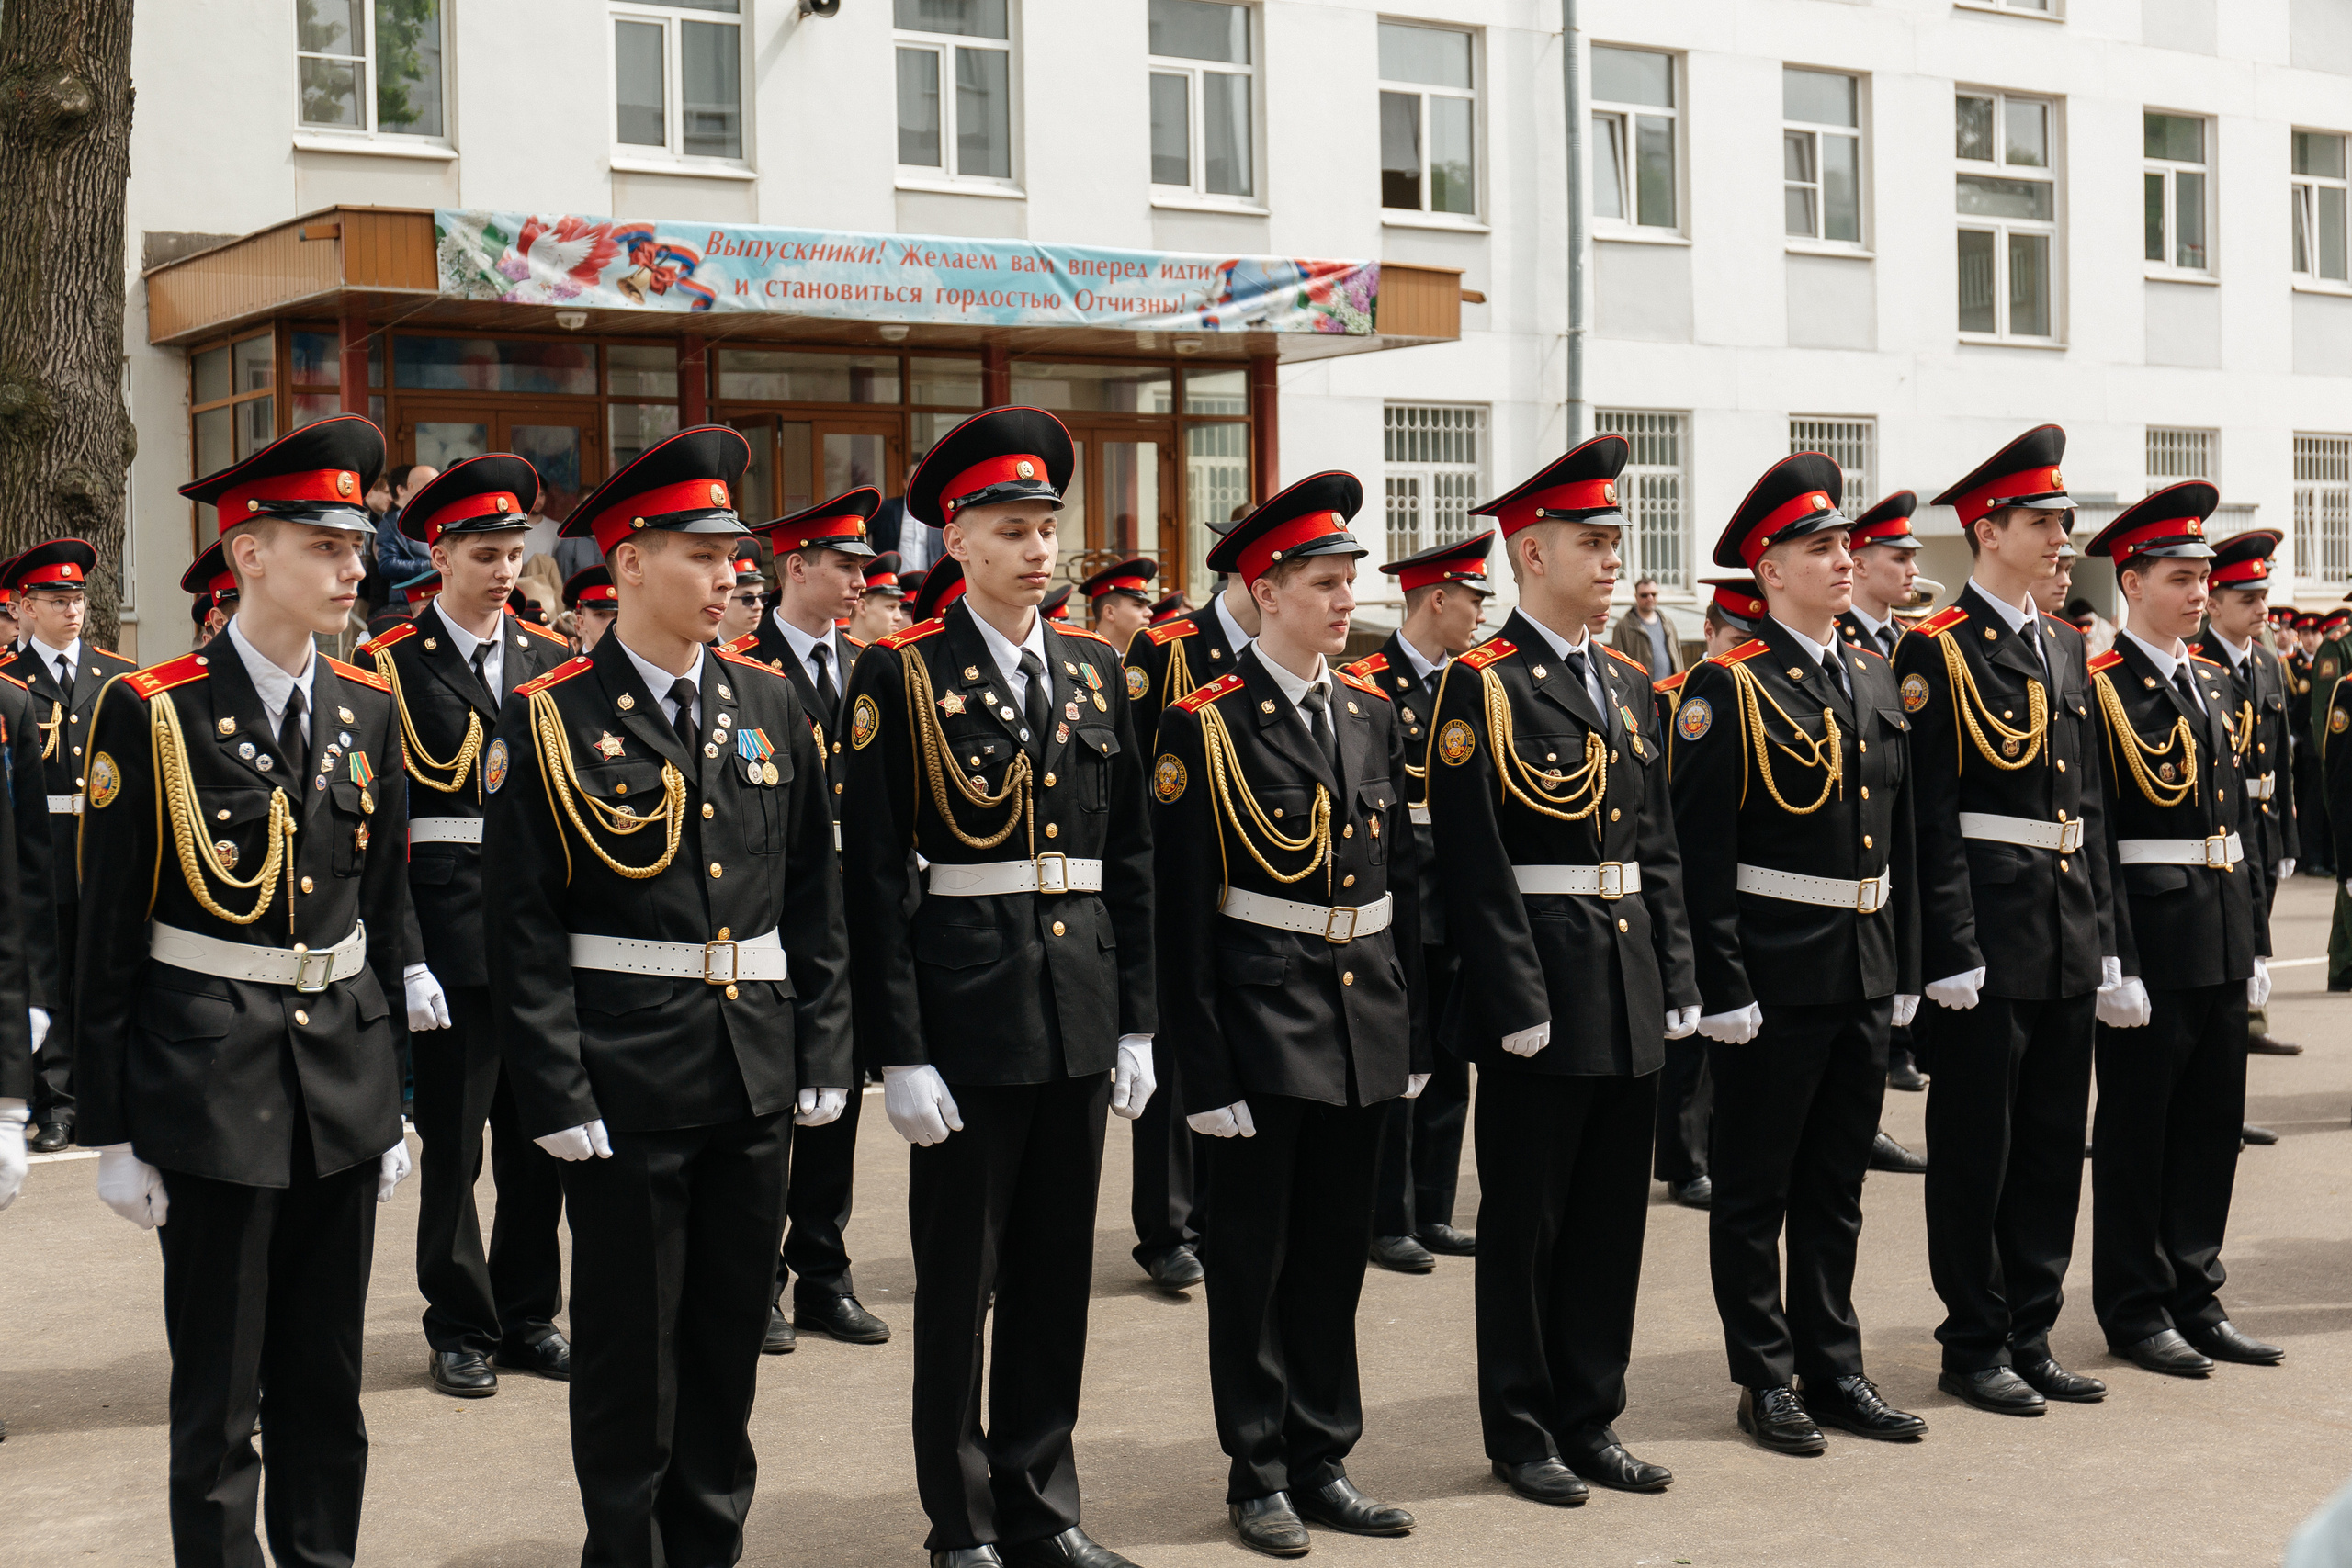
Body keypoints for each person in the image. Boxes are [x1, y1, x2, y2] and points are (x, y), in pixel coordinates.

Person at [484, 423, 853, 1567]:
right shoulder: (550, 716)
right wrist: (553, 1085)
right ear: (629, 561)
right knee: (629, 1351)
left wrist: (824, 1052)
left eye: (734, 554)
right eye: (701, 554)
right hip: (626, 1079)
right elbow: (525, 925)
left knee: (729, 1336)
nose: (730, 576)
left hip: (751, 1069)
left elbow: (814, 899)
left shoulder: (770, 705)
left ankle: (708, 1546)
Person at [79, 414, 414, 1568]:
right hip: (210, 1083)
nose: (352, 568)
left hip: (343, 1081)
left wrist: (395, 1096)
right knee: (219, 1403)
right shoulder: (153, 709)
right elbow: (108, 936)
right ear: (250, 555)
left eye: (357, 547)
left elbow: (379, 905)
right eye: (325, 545)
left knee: (328, 1386)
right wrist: (114, 1131)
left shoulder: (371, 706)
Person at [840, 407, 1156, 1568]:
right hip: (967, 1019)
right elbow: (874, 879)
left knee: (1053, 1281)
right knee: (959, 1286)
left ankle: (1042, 1505)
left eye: (1046, 530)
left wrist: (1138, 1020)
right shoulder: (901, 673)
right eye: (1011, 530)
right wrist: (901, 1049)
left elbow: (1129, 862)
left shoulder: (1096, 671)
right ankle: (960, 1523)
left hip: (1075, 1008)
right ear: (956, 544)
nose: (1036, 552)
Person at [1155, 472, 1426, 1554]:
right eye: (1321, 583)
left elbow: (1398, 881)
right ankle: (1257, 1470)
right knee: (1253, 1262)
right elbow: (1180, 917)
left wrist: (1406, 1029)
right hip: (1260, 1031)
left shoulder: (1368, 709)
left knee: (1333, 1256)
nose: (1342, 601)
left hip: (1360, 1022)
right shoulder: (1203, 724)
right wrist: (1202, 1073)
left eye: (1348, 581)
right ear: (1264, 591)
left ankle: (1324, 1457)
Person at [1423, 443, 1698, 1505]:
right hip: (1542, 988)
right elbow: (1472, 866)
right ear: (1529, 553)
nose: (1609, 560)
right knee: (1526, 1222)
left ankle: (1593, 1417)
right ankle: (1523, 1429)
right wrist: (1513, 999)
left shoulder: (1630, 683)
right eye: (1590, 542)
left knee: (1608, 1222)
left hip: (1625, 980)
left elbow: (1658, 847)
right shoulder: (1477, 687)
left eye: (1613, 541)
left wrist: (1675, 975)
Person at [1668, 451, 1926, 1455]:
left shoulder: (1868, 671)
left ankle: (1835, 1365)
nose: (1840, 562)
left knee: (1835, 1185)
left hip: (1859, 966)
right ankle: (1763, 1378)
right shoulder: (1724, 686)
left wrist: (1900, 971)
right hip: (1772, 976)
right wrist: (1719, 984)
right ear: (1768, 569)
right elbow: (1700, 853)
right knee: (1754, 1190)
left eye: (1844, 546)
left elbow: (1894, 833)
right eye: (1818, 549)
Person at [1896, 426, 2111, 1418]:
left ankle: (2032, 1328)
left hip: (2065, 929)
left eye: (2065, 524)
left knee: (2051, 1146)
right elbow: (1928, 816)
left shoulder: (2066, 642)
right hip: (1986, 937)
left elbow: (2089, 807)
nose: (2064, 540)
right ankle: (1972, 1341)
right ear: (1989, 532)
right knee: (1977, 1150)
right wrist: (1949, 949)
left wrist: (2105, 939)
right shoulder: (1934, 649)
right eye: (2043, 523)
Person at [358, 455, 576, 1400]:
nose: (503, 571)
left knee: (542, 1142)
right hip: (444, 940)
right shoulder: (389, 664)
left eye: (513, 553)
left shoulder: (551, 660)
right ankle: (459, 1323)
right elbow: (382, 837)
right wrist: (405, 960)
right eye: (483, 553)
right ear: (438, 555)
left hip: (536, 942)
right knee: (454, 1147)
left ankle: (530, 1314)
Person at [2085, 483, 2281, 1378]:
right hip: (2151, 942)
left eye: (2204, 575)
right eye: (2178, 576)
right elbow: (2095, 831)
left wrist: (2254, 945)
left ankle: (2195, 1296)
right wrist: (2111, 956)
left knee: (2210, 1127)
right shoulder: (2099, 690)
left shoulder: (2207, 681)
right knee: (2138, 1133)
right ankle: (2133, 1306)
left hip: (2217, 931)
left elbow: (2230, 821)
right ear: (2130, 583)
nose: (2198, 591)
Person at [736, 486, 889, 1356]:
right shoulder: (744, 664)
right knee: (768, 1103)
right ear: (797, 567)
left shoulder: (874, 666)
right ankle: (758, 1281)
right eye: (846, 565)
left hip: (856, 908)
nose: (860, 581)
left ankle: (824, 1269)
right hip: (774, 905)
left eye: (866, 566)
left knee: (839, 1095)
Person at [1345, 532, 1493, 1274]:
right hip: (1400, 892)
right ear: (1437, 598)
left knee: (1453, 1056)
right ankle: (1387, 1214)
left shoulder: (1474, 681)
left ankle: (1434, 1206)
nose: (1479, 613)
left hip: (1462, 892)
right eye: (1472, 598)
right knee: (1403, 1054)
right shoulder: (1368, 682)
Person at [1117, 538, 1256, 1293]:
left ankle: (1221, 1210)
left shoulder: (1280, 649)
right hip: (1176, 883)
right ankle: (1167, 1230)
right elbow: (1134, 771)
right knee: (1170, 1067)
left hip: (1262, 884)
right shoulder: (1167, 647)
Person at [0, 540, 137, 1153]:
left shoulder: (118, 674)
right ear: (24, 607)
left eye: (77, 597)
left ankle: (106, 1094)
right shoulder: (10, 682)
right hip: (44, 845)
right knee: (47, 976)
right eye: (56, 600)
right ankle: (57, 1100)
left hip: (105, 846)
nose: (71, 610)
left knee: (104, 971)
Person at [1648, 578, 1769, 1213]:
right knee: (1690, 1034)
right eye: (1735, 637)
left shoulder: (1763, 694)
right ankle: (1685, 1157)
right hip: (1683, 880)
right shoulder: (1671, 698)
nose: (1742, 650)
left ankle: (1718, 1144)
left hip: (1748, 881)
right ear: (1709, 633)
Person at [2194, 531, 2301, 1067]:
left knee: (2257, 938)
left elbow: (2279, 759)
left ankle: (2248, 1029)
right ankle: (2234, 1038)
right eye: (2247, 598)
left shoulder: (2268, 664)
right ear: (2213, 603)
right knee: (2230, 946)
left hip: (2263, 821)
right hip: (2222, 826)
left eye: (2264, 596)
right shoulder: (2195, 662)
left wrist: (2287, 835)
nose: (2262, 608)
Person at [1607, 574, 1683, 682]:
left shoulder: (1667, 623)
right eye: (1644, 595)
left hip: (1670, 692)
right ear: (1636, 596)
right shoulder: (1623, 627)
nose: (1650, 598)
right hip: (1642, 693)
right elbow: (1616, 664)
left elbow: (1678, 655)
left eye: (1653, 594)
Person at [377, 462, 440, 586]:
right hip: (410, 597)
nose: (435, 490)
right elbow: (386, 565)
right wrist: (429, 565)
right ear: (409, 487)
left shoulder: (441, 516)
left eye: (438, 485)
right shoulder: (389, 524)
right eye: (429, 484)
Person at [1080, 558, 1157, 654]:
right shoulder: (1081, 655)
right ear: (1110, 612)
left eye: (1147, 606)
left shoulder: (1149, 657)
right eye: (1138, 605)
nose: (1150, 613)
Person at [849, 550, 909, 645]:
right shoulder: (834, 654)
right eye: (891, 607)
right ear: (862, 607)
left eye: (899, 608)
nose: (899, 617)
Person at [718, 540, 768, 646]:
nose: (759, 606)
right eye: (748, 598)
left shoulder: (773, 648)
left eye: (761, 597)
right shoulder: (698, 648)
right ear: (723, 599)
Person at [563, 564, 618, 652]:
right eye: (600, 614)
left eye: (618, 615)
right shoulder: (567, 665)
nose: (611, 623)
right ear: (581, 622)